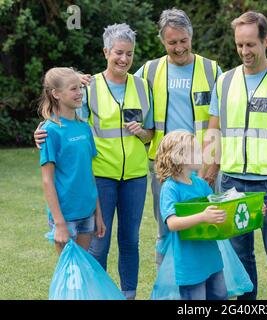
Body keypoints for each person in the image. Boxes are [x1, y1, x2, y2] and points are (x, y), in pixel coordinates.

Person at [34, 24, 154, 299]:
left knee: (130, 241)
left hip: (135, 175)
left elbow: (151, 133)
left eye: (129, 54)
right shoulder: (89, 87)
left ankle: (128, 295)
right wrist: (41, 130)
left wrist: (144, 134)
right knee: (99, 245)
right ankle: (95, 295)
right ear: (106, 52)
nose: (123, 59)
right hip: (101, 175)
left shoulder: (143, 86)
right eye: (118, 53)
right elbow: (66, 119)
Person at [204, 11, 267, 300]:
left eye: (250, 44)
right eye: (239, 45)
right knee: (240, 260)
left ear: (266, 40)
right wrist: (207, 174)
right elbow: (213, 131)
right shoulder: (224, 82)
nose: (244, 51)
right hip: (232, 183)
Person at [134, 8, 223, 267]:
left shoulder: (212, 70)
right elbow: (119, 88)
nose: (179, 47)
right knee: (167, 228)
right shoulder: (150, 71)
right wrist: (86, 83)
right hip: (166, 169)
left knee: (209, 227)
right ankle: (169, 286)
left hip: (202, 165)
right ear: (163, 41)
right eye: (172, 42)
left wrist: (212, 165)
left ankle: (207, 284)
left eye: (184, 41)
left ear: (191, 37)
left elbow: (222, 122)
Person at [38, 67, 106, 255]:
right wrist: (59, 223)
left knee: (81, 271)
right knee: (69, 274)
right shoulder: (49, 131)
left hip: (87, 212)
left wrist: (98, 213)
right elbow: (47, 180)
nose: (79, 93)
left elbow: (88, 173)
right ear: (56, 94)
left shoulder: (84, 128)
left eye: (80, 88)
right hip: (65, 216)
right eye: (73, 89)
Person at [155, 130, 228, 300]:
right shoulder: (170, 188)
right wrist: (203, 217)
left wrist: (249, 209)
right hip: (189, 264)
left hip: (211, 258)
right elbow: (172, 223)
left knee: (220, 296)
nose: (201, 154)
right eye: (195, 151)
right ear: (179, 157)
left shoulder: (201, 184)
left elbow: (221, 207)